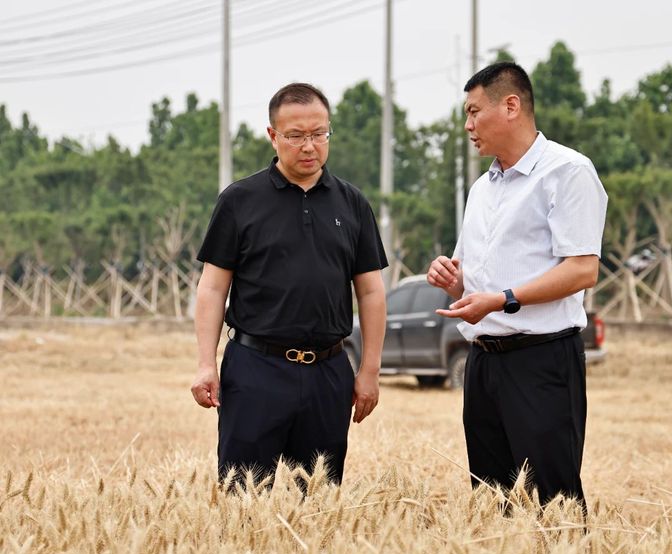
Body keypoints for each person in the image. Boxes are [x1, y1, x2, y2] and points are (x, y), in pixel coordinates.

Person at [427, 62, 607, 509]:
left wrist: (503, 300)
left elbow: (582, 270)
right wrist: (453, 281)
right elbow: (473, 283)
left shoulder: (568, 172)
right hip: (483, 364)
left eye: (474, 112)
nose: (468, 126)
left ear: (511, 106)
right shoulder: (481, 190)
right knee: (492, 504)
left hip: (541, 361)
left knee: (555, 503)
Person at [190, 82, 387, 487]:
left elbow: (370, 291)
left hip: (328, 370)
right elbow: (212, 288)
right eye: (296, 136)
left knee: (321, 499)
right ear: (273, 135)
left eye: (319, 134)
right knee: (243, 495)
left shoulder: (352, 203)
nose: (309, 146)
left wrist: (370, 370)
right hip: (255, 368)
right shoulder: (239, 201)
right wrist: (206, 363)